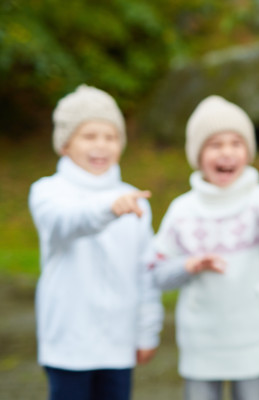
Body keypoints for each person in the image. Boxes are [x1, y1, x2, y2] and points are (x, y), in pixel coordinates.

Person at [150, 95, 259, 400]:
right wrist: (188, 265)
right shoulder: (182, 210)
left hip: (253, 338)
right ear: (198, 155)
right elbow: (158, 272)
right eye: (215, 145)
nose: (227, 152)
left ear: (248, 152)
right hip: (201, 341)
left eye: (236, 143)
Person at [28, 84, 163, 400]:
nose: (101, 145)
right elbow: (66, 222)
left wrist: (147, 331)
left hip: (118, 344)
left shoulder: (135, 201)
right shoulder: (48, 192)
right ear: (65, 144)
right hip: (68, 346)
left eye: (111, 136)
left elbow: (147, 270)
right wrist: (108, 208)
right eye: (89, 136)